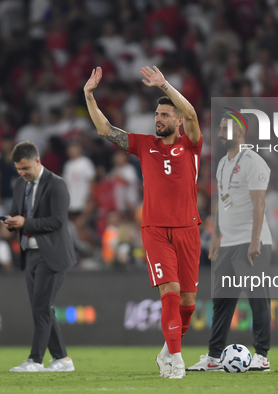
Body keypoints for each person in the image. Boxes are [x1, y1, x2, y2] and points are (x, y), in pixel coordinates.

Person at [84, 66, 202, 379]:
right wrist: (89, 96)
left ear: (176, 120)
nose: (159, 119)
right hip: (155, 230)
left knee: (189, 303)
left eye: (165, 114)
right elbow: (105, 130)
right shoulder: (142, 144)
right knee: (171, 293)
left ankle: (166, 351)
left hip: (189, 229)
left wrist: (164, 84)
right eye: (157, 114)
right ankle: (176, 361)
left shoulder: (191, 145)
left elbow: (191, 113)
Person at [187, 115, 272, 372]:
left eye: (226, 128)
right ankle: (213, 357)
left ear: (241, 132)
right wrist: (216, 237)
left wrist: (255, 240)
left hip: (251, 241)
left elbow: (260, 203)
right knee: (222, 302)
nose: (221, 132)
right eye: (221, 128)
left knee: (258, 299)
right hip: (228, 243)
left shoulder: (254, 162)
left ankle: (263, 356)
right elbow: (223, 203)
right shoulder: (222, 163)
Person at [3, 141, 77, 372]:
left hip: (52, 254)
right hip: (30, 253)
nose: (21, 173)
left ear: (37, 161)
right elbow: (17, 212)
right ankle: (62, 360)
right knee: (43, 308)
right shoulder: (19, 184)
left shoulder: (56, 185)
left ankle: (35, 360)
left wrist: (25, 222)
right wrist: (11, 221)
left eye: (25, 168)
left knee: (41, 308)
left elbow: (57, 221)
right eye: (18, 169)